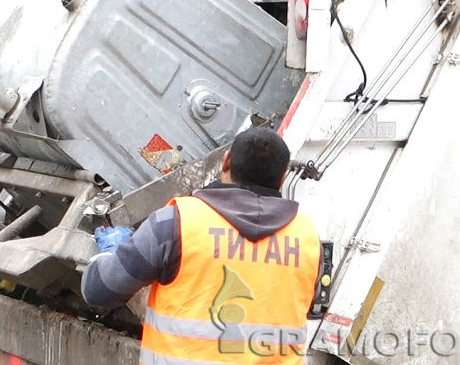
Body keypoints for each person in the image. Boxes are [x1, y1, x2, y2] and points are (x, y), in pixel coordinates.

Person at [81, 127, 321, 365]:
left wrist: (109, 252)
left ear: (225, 162)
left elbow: (99, 291)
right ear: (282, 178)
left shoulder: (175, 222)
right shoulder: (307, 239)